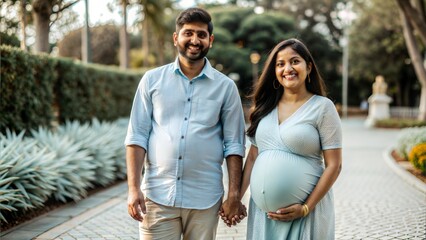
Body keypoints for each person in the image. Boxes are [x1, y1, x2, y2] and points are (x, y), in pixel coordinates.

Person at [124, 7, 247, 240]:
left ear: (210, 40)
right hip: (157, 197)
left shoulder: (225, 87)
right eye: (188, 33)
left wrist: (233, 196)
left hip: (205, 199)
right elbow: (137, 136)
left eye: (201, 34)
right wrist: (133, 189)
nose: (194, 40)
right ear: (176, 38)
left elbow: (234, 144)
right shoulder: (152, 80)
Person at [224, 38, 343, 239]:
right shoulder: (264, 107)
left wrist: (306, 207)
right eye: (281, 64)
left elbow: (334, 165)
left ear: (309, 67)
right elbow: (253, 157)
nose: (288, 68)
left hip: (306, 215)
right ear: (275, 71)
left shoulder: (322, 107)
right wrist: (235, 199)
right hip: (263, 217)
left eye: (295, 61)